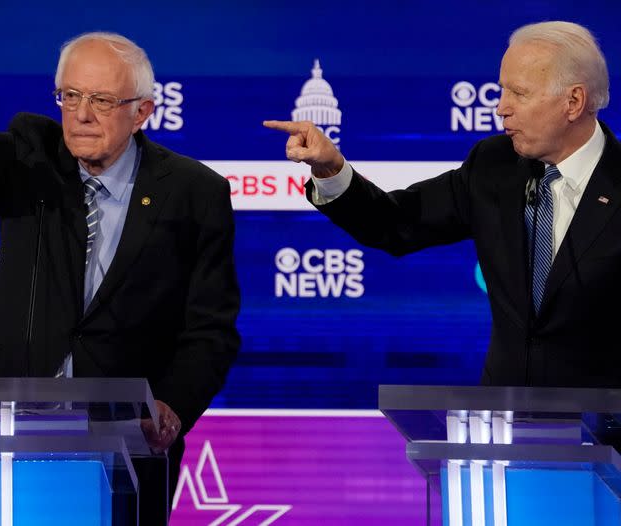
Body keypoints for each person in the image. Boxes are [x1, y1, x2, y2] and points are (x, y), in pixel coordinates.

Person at [0, 32, 240, 523]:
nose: (81, 114)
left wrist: (172, 406)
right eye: (70, 96)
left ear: (141, 112)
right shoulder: (33, 158)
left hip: (127, 442)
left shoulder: (193, 192)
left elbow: (210, 330)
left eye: (101, 100)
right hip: (1, 424)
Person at [265, 21, 621, 387]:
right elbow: (395, 223)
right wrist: (331, 169)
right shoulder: (494, 166)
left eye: (519, 93)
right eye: (502, 90)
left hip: (606, 430)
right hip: (507, 427)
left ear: (573, 102)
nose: (501, 108)